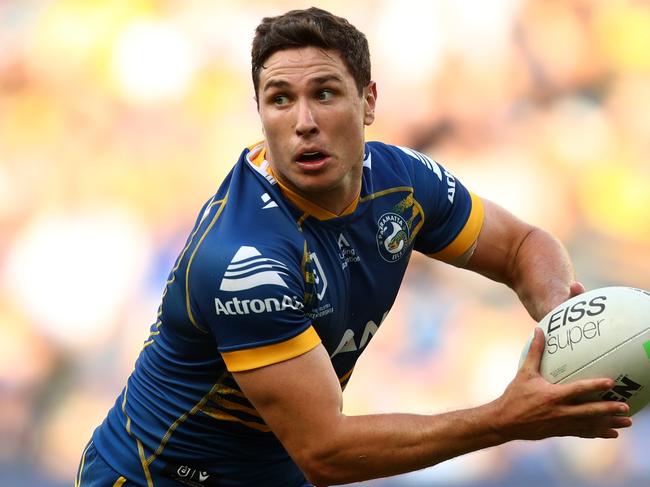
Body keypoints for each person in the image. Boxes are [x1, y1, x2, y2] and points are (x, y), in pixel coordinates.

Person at [76, 7, 632, 487]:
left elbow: (522, 247)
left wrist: (565, 320)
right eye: (279, 100)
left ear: (368, 102)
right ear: (260, 112)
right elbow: (326, 450)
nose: (304, 122)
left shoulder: (400, 182)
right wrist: (502, 419)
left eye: (324, 93)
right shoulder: (246, 260)